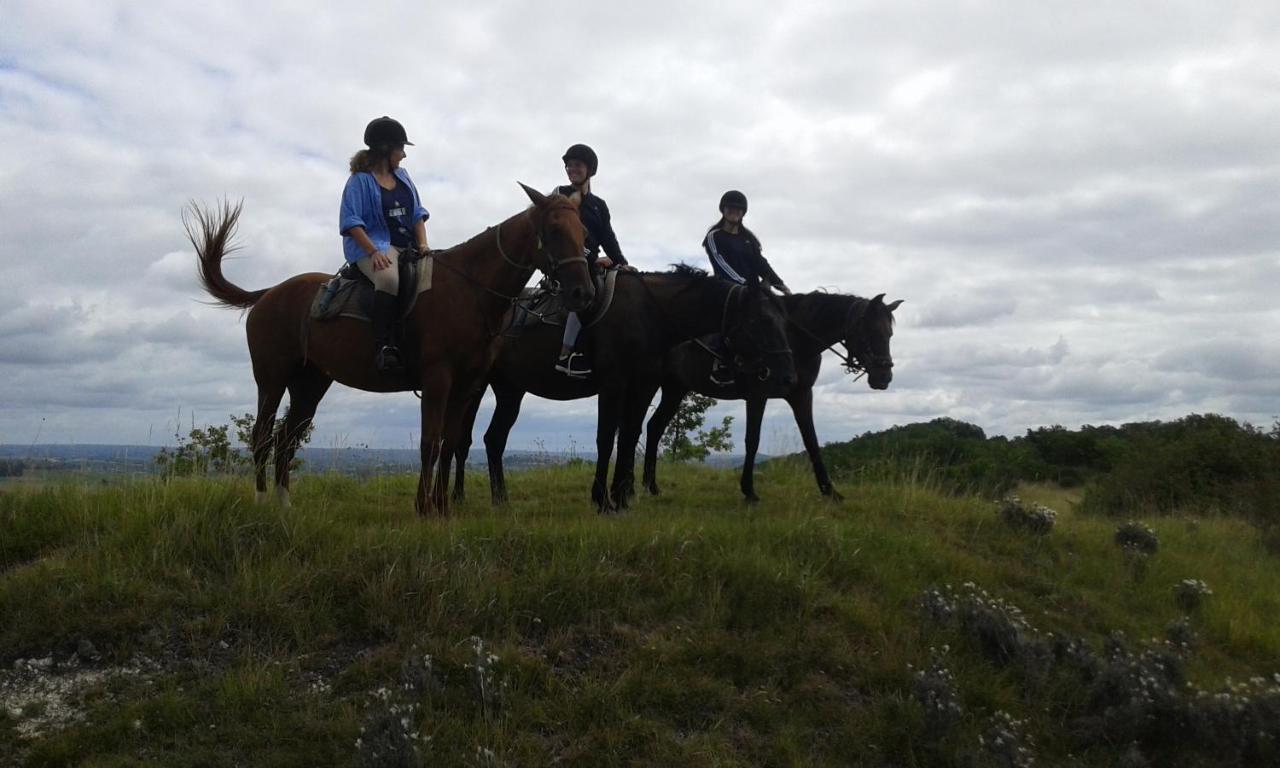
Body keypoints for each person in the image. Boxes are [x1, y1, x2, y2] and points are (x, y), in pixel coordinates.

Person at [339, 116, 431, 372]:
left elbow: (417, 214)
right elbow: (351, 221)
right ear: (384, 149)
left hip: (409, 245)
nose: (403, 155)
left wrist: (424, 245)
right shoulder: (359, 181)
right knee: (389, 279)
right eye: (400, 148)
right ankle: (384, 345)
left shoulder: (404, 176)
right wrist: (373, 252)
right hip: (372, 245)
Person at [548, 143, 635, 378]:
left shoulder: (599, 205)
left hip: (592, 261)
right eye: (569, 166)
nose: (571, 169)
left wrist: (621, 262)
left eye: (577, 165)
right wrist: (591, 257)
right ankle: (567, 355)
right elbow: (559, 232)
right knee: (587, 291)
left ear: (589, 170)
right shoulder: (560, 193)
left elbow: (608, 236)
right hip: (569, 261)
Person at [703, 190, 790, 384]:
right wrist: (744, 284)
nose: (734, 211)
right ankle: (720, 361)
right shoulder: (714, 236)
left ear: (743, 212)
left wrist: (780, 284)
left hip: (751, 288)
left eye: (738, 209)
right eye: (730, 208)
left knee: (772, 316)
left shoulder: (748, 239)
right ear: (723, 210)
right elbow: (720, 263)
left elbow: (761, 264)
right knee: (728, 315)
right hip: (726, 286)